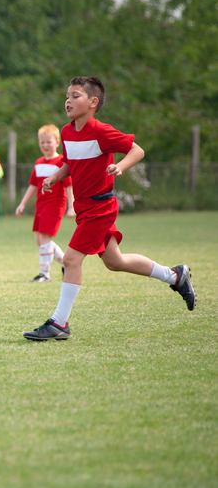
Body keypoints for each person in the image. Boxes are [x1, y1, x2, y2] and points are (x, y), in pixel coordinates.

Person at [24, 77, 196, 341]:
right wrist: (55, 177)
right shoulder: (67, 132)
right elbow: (71, 164)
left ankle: (59, 324)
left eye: (75, 96)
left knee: (70, 260)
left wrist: (121, 166)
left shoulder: (101, 131)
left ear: (93, 103)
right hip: (85, 208)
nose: (68, 101)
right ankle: (175, 276)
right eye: (67, 96)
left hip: (100, 207)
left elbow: (137, 151)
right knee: (115, 262)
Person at [15, 124, 75, 282]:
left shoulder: (62, 162)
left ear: (57, 142)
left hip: (55, 205)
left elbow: (69, 186)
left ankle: (44, 274)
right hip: (40, 206)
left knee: (45, 241)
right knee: (39, 241)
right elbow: (33, 186)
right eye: (42, 142)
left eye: (49, 142)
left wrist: (71, 207)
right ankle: (66, 263)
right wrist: (22, 204)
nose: (45, 145)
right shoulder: (39, 162)